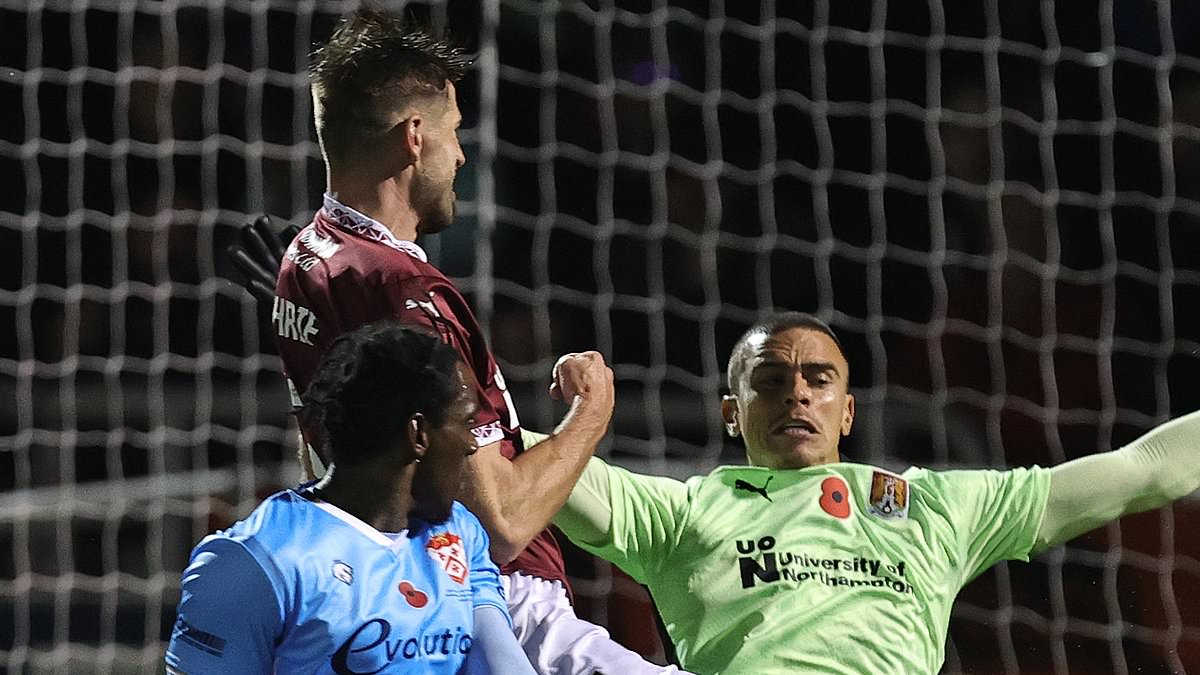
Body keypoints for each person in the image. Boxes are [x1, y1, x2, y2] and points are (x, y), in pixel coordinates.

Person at [231, 9, 685, 674]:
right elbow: (500, 521)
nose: (462, 153)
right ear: (415, 136)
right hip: (494, 603)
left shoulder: (305, 258)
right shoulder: (404, 291)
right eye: (454, 131)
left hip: (397, 601)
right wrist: (592, 412)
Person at [552, 311, 1200, 674]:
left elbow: (1142, 469)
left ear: (848, 412)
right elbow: (506, 452)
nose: (797, 393)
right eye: (771, 379)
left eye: (818, 379)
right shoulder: (679, 512)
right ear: (731, 411)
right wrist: (572, 413)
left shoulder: (938, 507)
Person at [166, 321, 536, 674]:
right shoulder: (255, 562)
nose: (472, 444)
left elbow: (502, 664)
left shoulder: (460, 532)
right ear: (419, 433)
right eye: (466, 422)